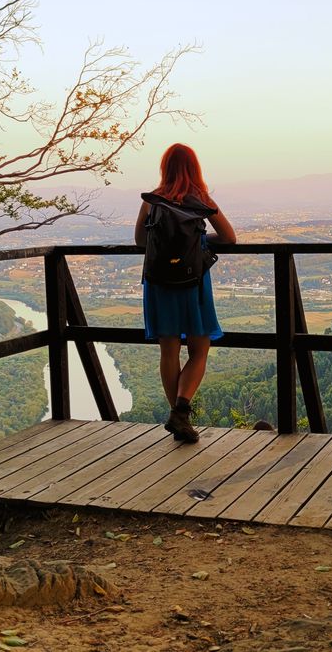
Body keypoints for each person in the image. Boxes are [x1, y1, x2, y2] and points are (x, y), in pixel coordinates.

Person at [135, 144, 236, 443]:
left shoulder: (151, 201)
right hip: (193, 282)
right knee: (199, 349)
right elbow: (229, 238)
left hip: (159, 281)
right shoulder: (201, 200)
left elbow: (141, 242)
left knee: (168, 351)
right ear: (195, 168)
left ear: (164, 167)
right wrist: (201, 242)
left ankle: (177, 416)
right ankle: (180, 412)